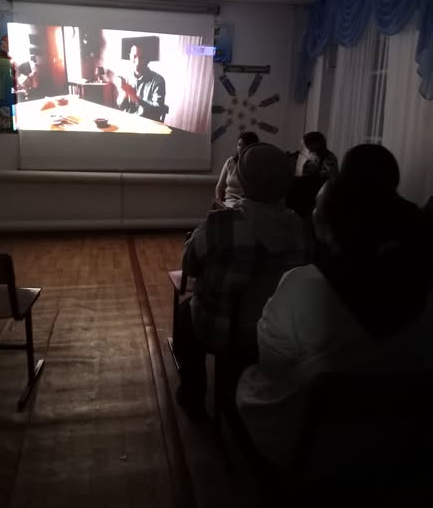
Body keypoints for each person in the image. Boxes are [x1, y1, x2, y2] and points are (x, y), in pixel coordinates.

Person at [236, 150, 433, 468]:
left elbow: (272, 363)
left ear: (329, 227)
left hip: (316, 445)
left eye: (317, 207)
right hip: (403, 445)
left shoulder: (302, 286)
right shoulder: (420, 282)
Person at [173, 142, 309, 420]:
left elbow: (189, 265)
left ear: (243, 182)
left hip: (223, 332)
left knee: (186, 313)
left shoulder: (222, 223)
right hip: (277, 336)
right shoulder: (301, 230)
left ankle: (192, 396)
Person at [114, 43, 166, 122]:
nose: (137, 62)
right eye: (134, 56)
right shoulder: (125, 77)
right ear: (130, 57)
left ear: (148, 60)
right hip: (129, 122)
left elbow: (157, 112)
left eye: (142, 57)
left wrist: (136, 98)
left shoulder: (158, 80)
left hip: (149, 124)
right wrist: (122, 92)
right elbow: (121, 106)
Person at [215, 132, 259, 208]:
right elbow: (219, 187)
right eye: (239, 145)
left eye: (245, 146)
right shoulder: (230, 162)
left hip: (247, 204)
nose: (240, 149)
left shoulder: (257, 165)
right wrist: (219, 201)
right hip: (228, 203)